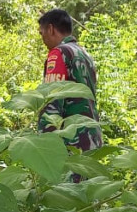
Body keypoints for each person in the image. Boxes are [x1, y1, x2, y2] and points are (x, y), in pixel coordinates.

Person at [37, 9, 102, 153]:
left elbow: (51, 102)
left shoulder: (59, 53)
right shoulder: (84, 54)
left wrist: (43, 145)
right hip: (91, 138)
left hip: (71, 142)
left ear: (50, 29)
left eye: (42, 33)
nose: (42, 39)